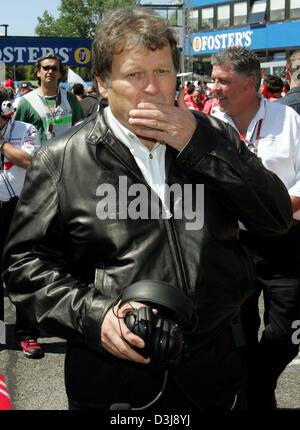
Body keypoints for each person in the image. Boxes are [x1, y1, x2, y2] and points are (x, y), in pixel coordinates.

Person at [2, 7, 292, 411]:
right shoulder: (63, 158)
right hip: (113, 382)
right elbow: (23, 264)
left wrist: (205, 149)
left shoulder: (215, 135)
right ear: (103, 83)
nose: (154, 89)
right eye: (135, 74)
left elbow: (275, 218)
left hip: (215, 368)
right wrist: (96, 315)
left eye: (163, 72)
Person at [210, 46, 300, 409]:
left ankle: (257, 385)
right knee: (236, 334)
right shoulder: (210, 127)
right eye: (213, 80)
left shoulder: (289, 121)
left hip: (285, 240)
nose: (214, 88)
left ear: (251, 83)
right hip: (231, 246)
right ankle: (252, 396)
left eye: (222, 81)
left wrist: (273, 209)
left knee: (286, 333)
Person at [0, 87, 42, 358]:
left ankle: (28, 334)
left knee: (23, 273)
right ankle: (1, 333)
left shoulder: (26, 129)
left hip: (19, 209)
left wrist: (2, 144)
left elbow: (28, 160)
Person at [14, 54, 85, 144]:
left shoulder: (70, 98)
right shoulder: (26, 101)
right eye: (46, 68)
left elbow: (81, 129)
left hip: (65, 156)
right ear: (38, 73)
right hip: (38, 156)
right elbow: (17, 134)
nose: (50, 71)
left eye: (54, 68)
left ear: (60, 74)